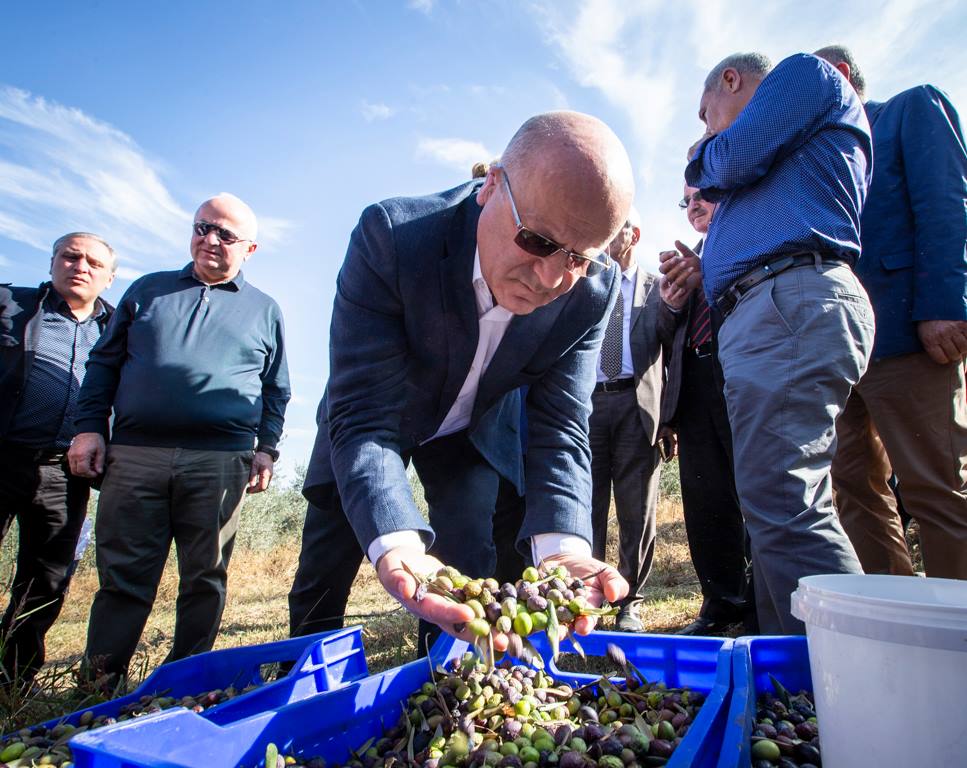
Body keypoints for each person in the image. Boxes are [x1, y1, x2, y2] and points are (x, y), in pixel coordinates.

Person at [301, 111, 672, 649]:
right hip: (371, 422)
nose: (551, 280)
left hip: (471, 432)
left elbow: (561, 426)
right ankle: (301, 674)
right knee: (328, 560)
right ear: (492, 185)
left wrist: (562, 546)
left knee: (468, 557)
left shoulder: (591, 292)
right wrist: (397, 542)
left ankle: (449, 678)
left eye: (578, 257)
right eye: (537, 240)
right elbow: (364, 418)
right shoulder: (392, 238)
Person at [672, 52, 875, 634]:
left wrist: (700, 156)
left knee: (785, 501)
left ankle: (846, 668)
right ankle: (787, 659)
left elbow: (726, 158)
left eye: (706, 112)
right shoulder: (777, 161)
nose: (706, 126)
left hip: (786, 301)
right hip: (768, 312)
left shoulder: (805, 73)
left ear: (731, 80)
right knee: (769, 502)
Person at [68, 194, 290, 682]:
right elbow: (103, 363)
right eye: (201, 227)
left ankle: (184, 684)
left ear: (250, 249)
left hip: (221, 461)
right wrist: (89, 428)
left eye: (225, 234)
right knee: (123, 576)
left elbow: (276, 390)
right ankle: (99, 684)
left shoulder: (265, 310)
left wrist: (267, 449)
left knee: (205, 576)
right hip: (135, 455)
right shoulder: (148, 290)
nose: (210, 239)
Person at [815, 45, 967, 579]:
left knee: (937, 486)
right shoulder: (817, 160)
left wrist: (944, 308)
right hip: (839, 351)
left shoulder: (910, 110)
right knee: (854, 487)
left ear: (838, 75)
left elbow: (947, 207)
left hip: (910, 336)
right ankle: (894, 611)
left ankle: (955, 620)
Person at [0, 233, 116, 685]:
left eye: (93, 262)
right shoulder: (11, 304)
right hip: (6, 453)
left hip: (66, 471)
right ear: (52, 263)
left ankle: (13, 679)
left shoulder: (118, 327)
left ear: (109, 277)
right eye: (70, 256)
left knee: (46, 579)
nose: (80, 266)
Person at [660, 186, 753, 635]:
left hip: (740, 375)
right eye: (686, 200)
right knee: (705, 500)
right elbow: (669, 336)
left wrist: (709, 273)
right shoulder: (690, 260)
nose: (693, 205)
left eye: (703, 195)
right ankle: (721, 604)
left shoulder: (751, 242)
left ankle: (762, 604)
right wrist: (673, 304)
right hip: (695, 385)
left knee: (754, 492)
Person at [588, 206, 678, 632]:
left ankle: (628, 603)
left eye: (613, 228)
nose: (604, 235)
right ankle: (586, 597)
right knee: (585, 507)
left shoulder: (658, 290)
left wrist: (671, 418)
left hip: (636, 409)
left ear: (633, 235)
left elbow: (674, 355)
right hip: (587, 407)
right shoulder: (584, 284)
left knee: (636, 511)